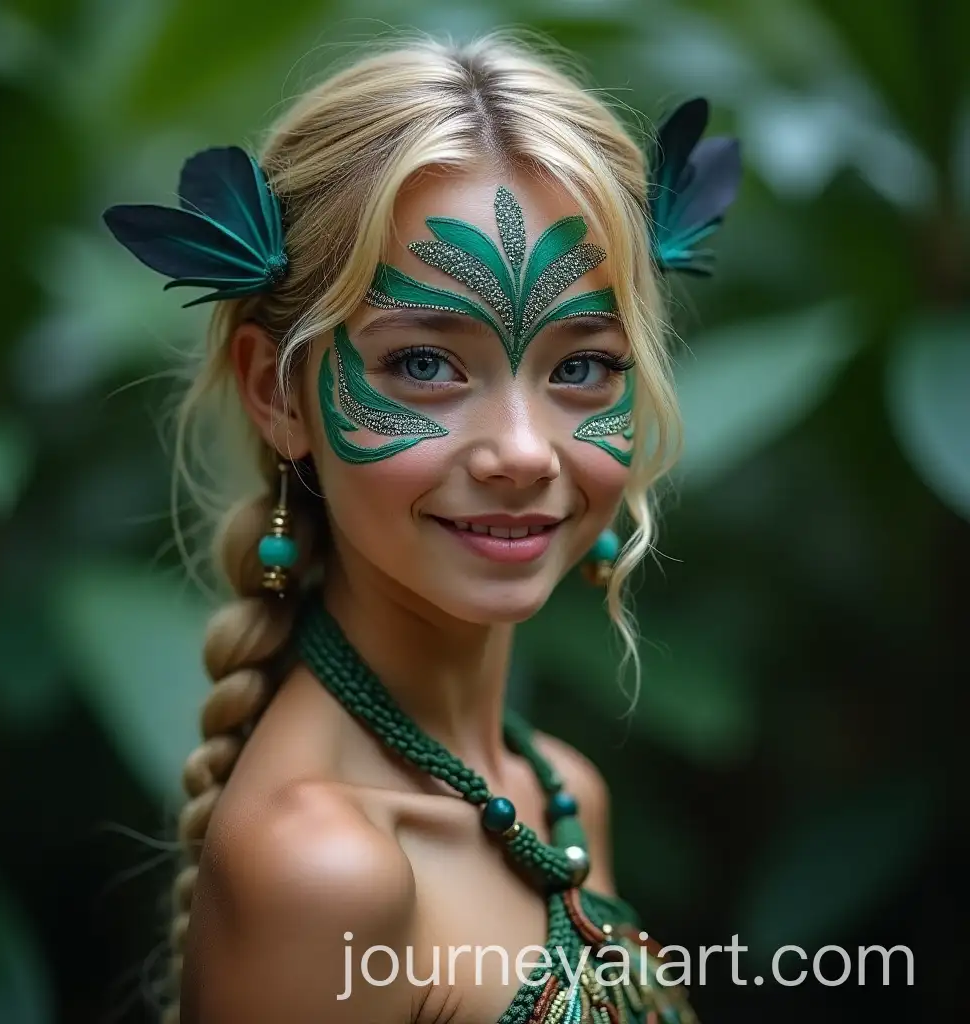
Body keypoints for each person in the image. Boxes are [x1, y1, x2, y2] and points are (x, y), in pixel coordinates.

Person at [103, 32, 740, 1024]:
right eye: (425, 365)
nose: (522, 452)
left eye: (582, 367)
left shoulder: (562, 794)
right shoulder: (323, 870)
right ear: (278, 392)